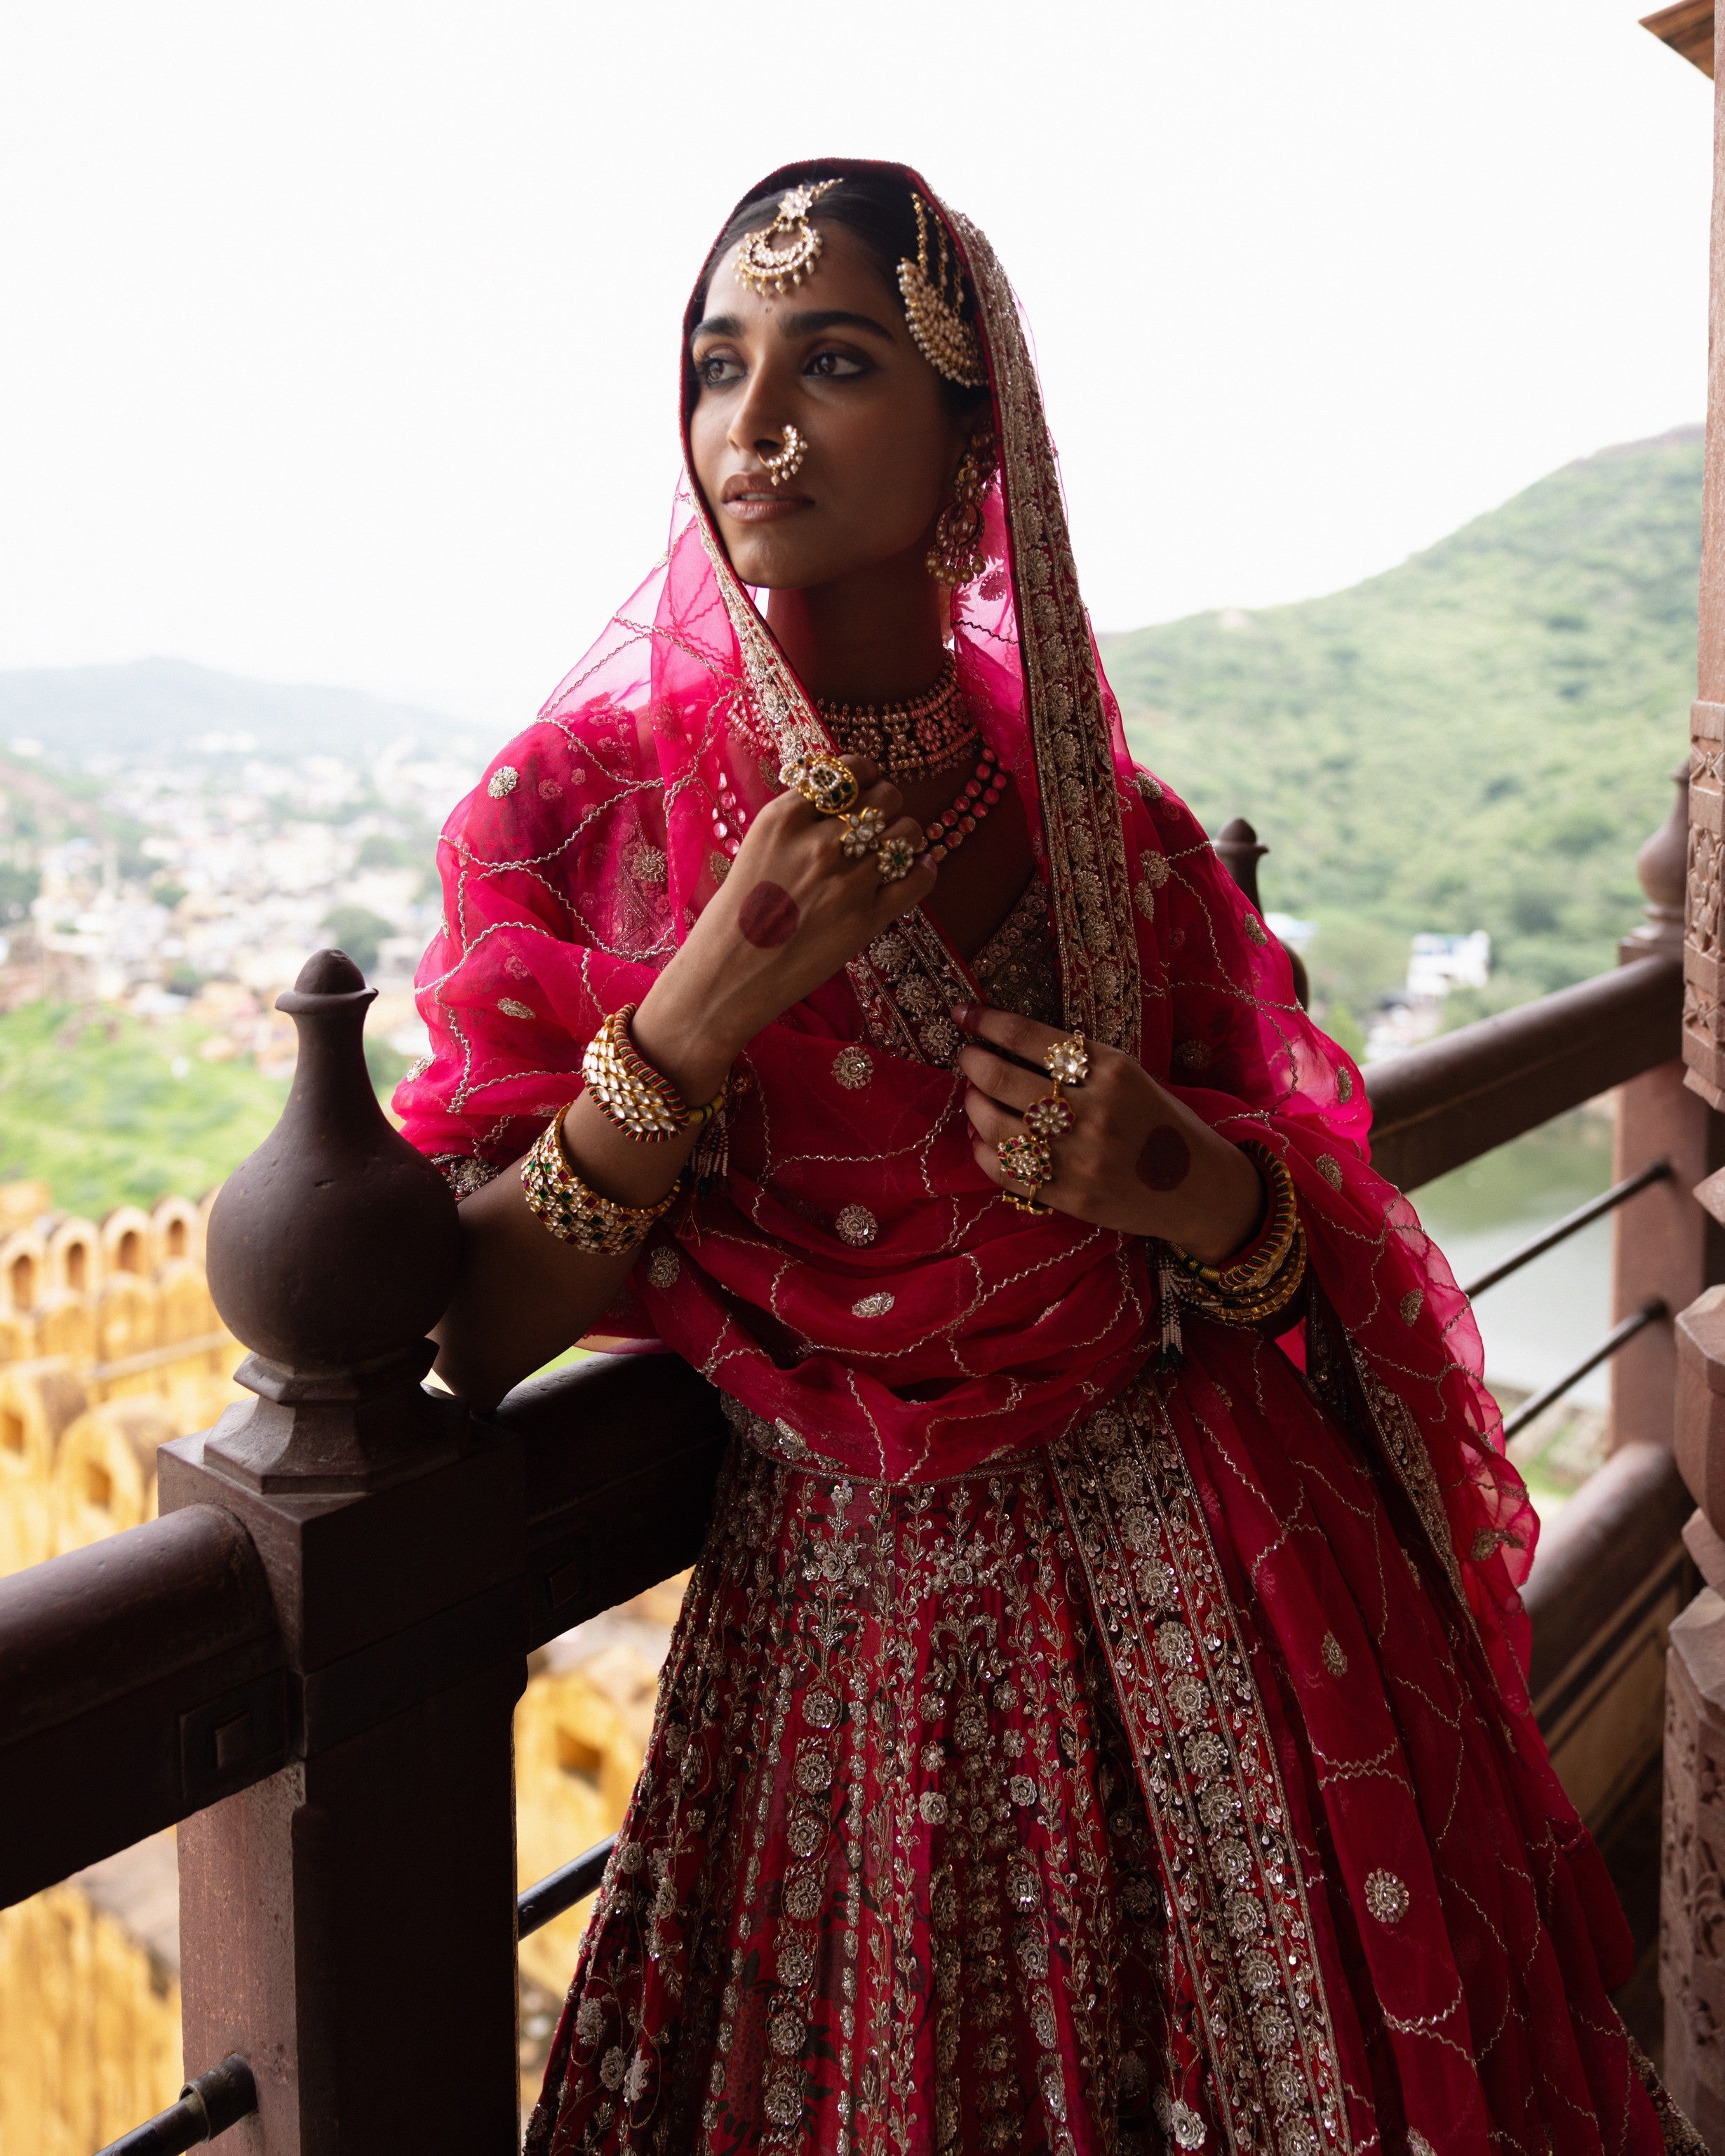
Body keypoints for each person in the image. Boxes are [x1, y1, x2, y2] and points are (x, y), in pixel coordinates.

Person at [400, 161, 1701, 2156]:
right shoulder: (585, 817)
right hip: (840, 1632)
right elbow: (462, 1330)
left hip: (1201, 1604)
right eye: (713, 366)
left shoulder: (1114, 826)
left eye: (829, 363)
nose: (749, 426)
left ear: (969, 445)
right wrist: (692, 1014)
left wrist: (1178, 1180)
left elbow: (1275, 1243)